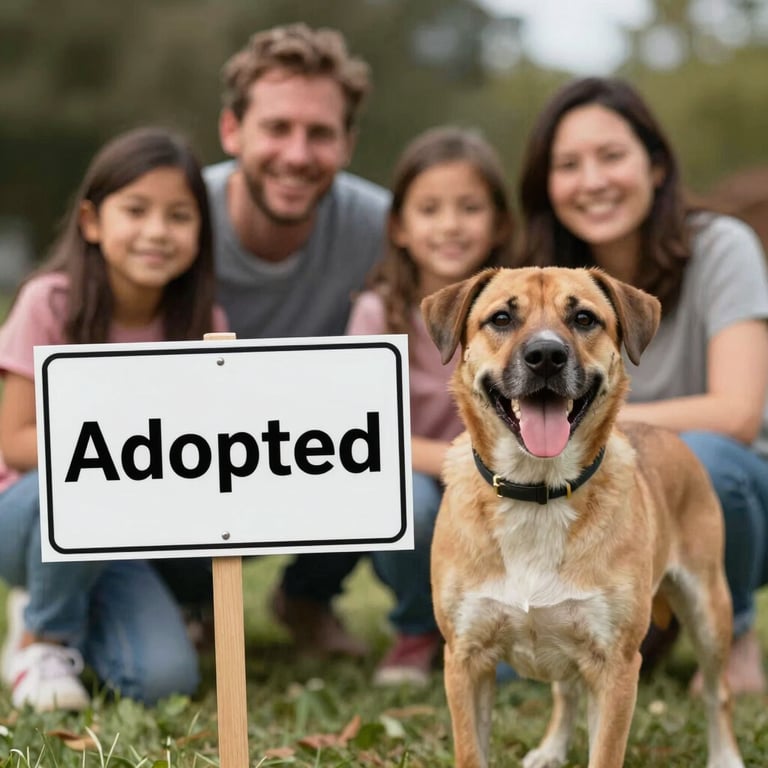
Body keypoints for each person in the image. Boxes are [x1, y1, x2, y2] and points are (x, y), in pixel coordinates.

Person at [515, 76, 768, 695]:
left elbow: (736, 413)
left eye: (611, 155)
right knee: (516, 669)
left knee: (704, 456)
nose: (593, 180)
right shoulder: (536, 275)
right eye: (569, 164)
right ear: (548, 185)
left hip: (733, 495)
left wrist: (600, 421)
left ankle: (732, 635)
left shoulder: (720, 248)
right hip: (604, 503)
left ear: (655, 166)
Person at [0, 126, 228, 711]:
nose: (157, 231)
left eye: (179, 216)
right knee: (92, 480)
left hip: (136, 531)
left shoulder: (207, 321)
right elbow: (17, 443)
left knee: (163, 681)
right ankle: (41, 633)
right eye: (136, 210)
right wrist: (125, 456)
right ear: (92, 222)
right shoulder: (49, 302)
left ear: (200, 233)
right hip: (30, 514)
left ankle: (94, 610)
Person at [195, 23, 390, 659]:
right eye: (277, 128)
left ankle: (306, 597)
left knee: (377, 444)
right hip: (186, 456)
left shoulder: (381, 226)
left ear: (348, 143)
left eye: (321, 133)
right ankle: (183, 601)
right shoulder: (169, 213)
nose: (298, 154)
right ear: (233, 130)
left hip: (307, 451)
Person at [346, 126, 514, 685]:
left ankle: (511, 628)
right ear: (398, 226)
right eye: (429, 209)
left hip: (508, 478)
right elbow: (363, 434)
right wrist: (458, 461)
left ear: (499, 222)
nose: (449, 225)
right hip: (421, 476)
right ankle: (417, 629)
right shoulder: (378, 313)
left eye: (469, 207)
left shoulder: (520, 310)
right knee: (403, 500)